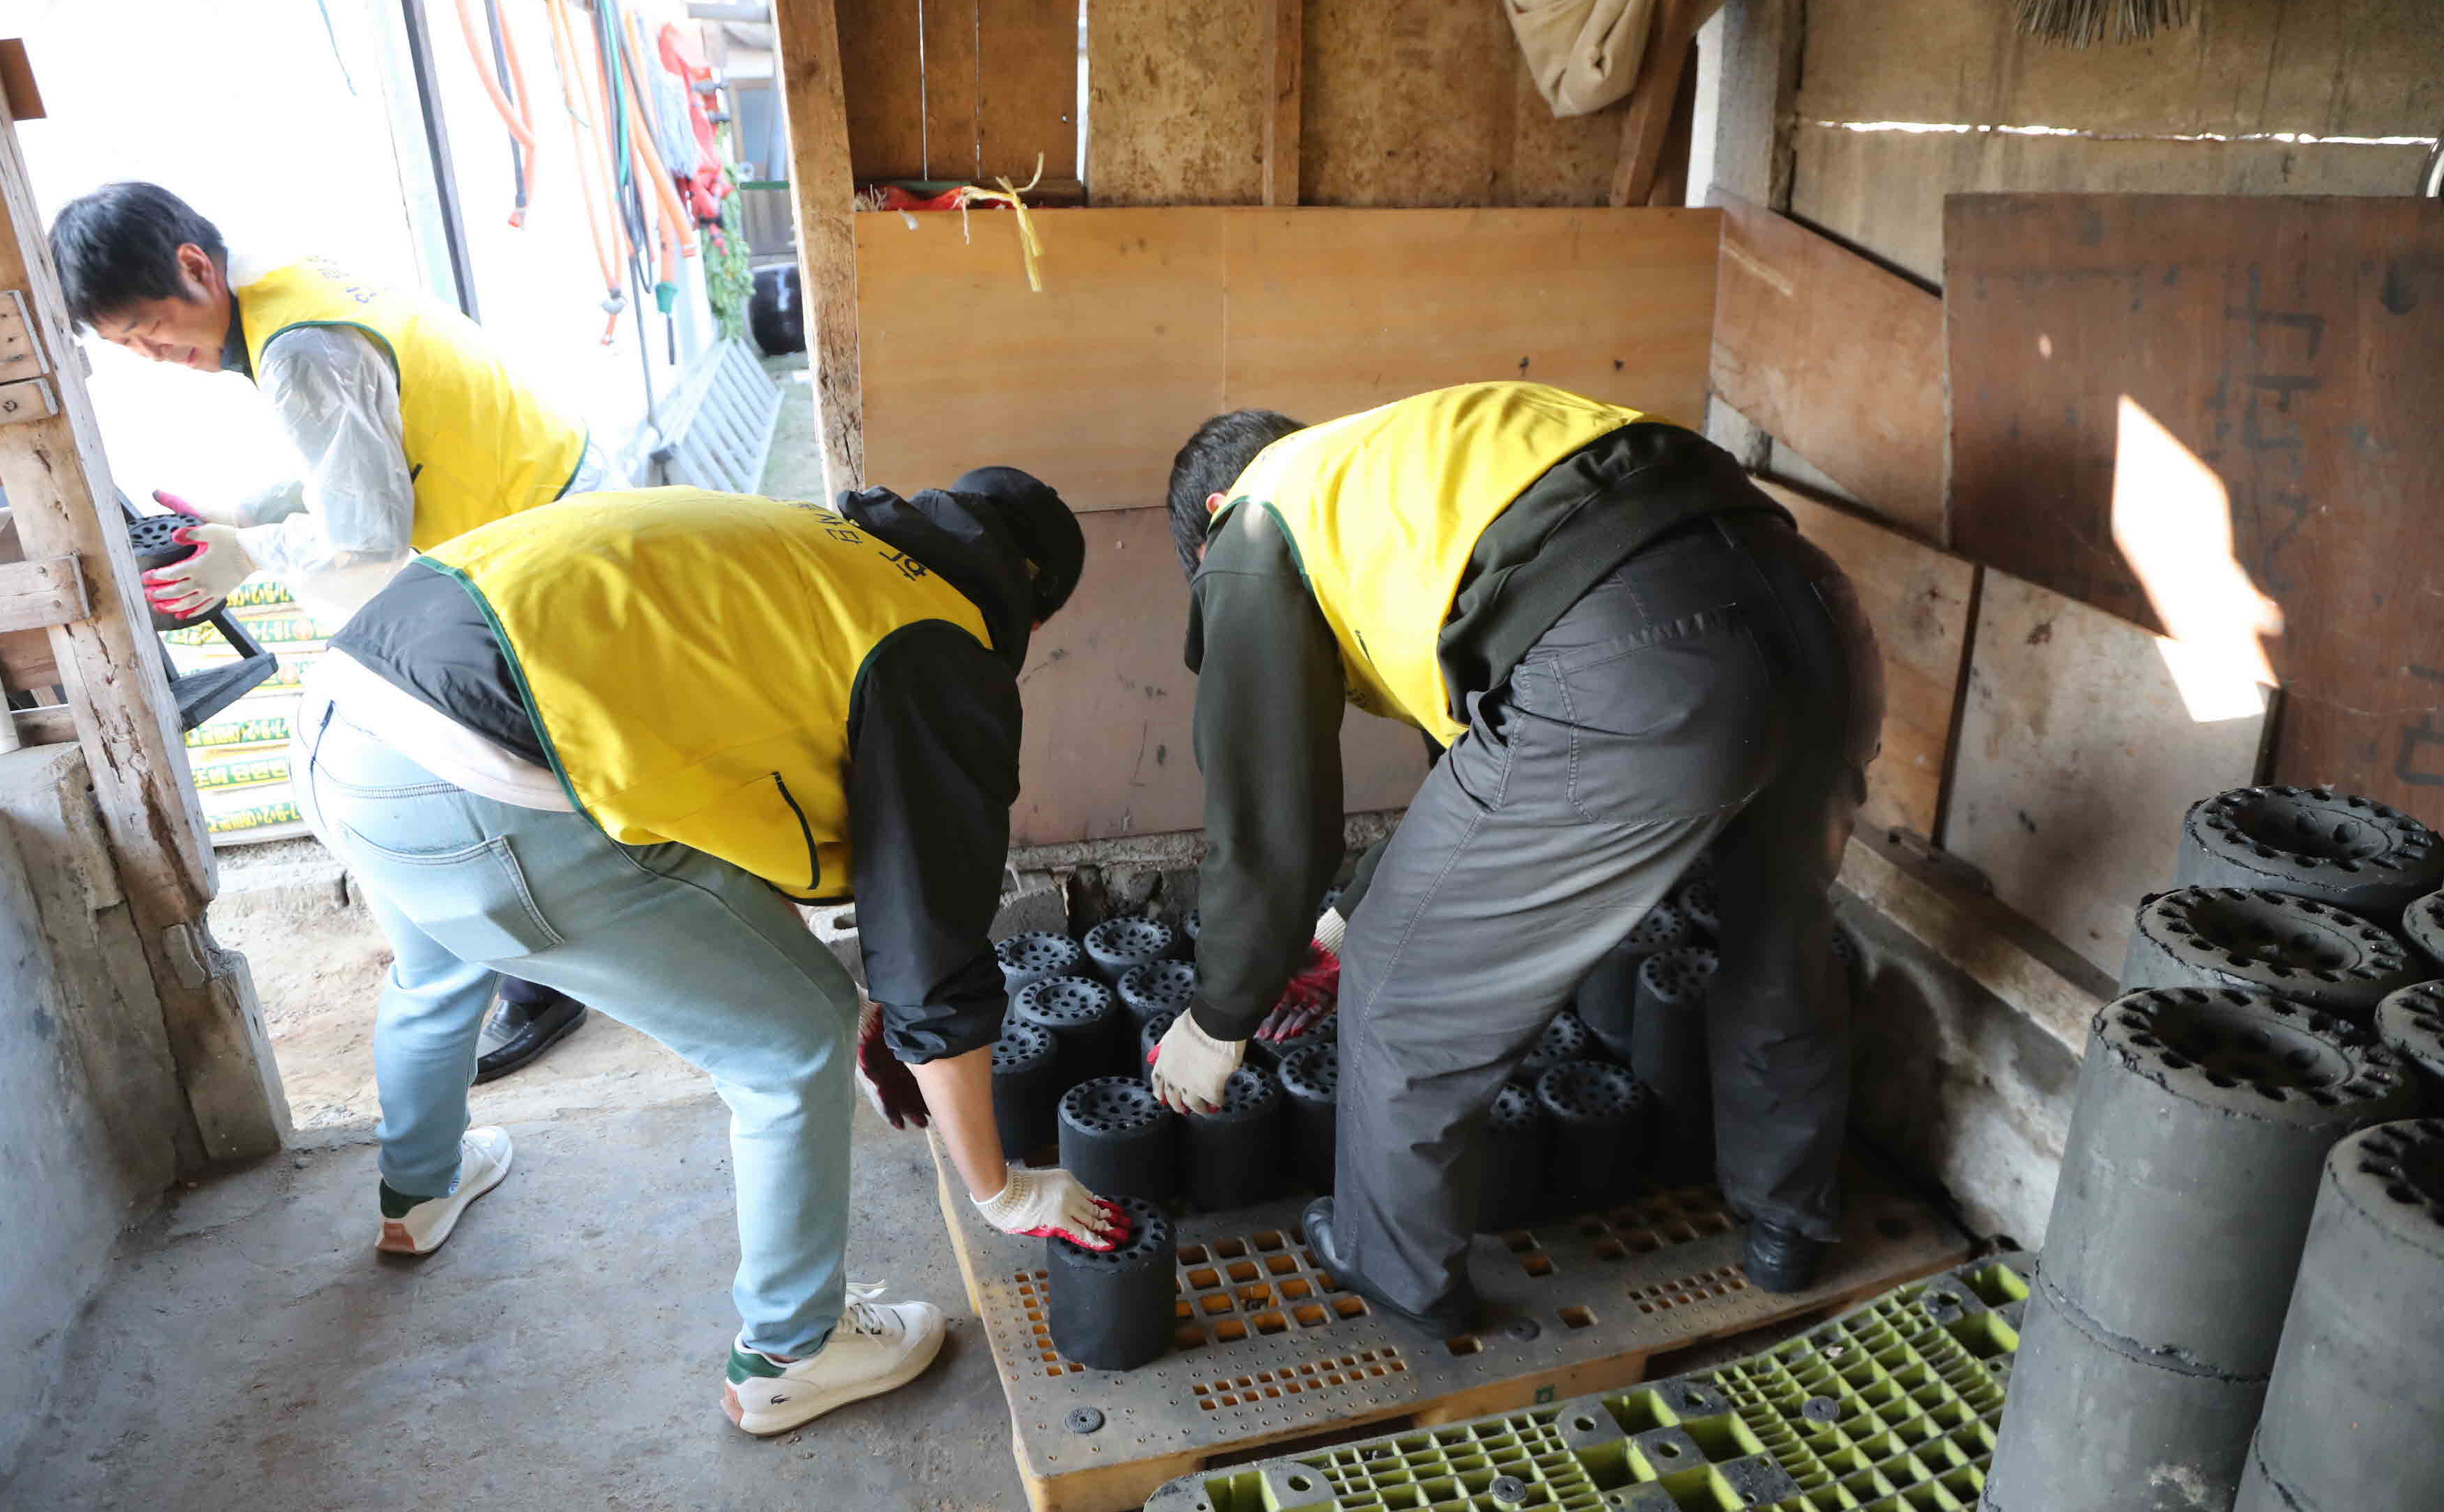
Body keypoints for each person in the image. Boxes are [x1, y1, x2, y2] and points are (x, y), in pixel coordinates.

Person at [289, 476, 1127, 1433]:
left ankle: (418, 1190)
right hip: (480, 784)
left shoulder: (815, 555)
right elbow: (931, 944)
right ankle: (791, 1353)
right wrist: (999, 1187)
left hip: (346, 722)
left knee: (443, 958)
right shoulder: (936, 646)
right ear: (1026, 596)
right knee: (797, 1036)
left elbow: (725, 790)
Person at [1147, 383, 1882, 1336]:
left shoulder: (1256, 521)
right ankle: (1789, 1222)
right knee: (1776, 936)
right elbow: (1475, 777)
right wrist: (1343, 918)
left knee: (1402, 995)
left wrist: (1219, 1017)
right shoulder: (1406, 469)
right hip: (1812, 614)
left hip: (1641, 656)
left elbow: (1265, 813)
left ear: (1212, 519)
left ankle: (1396, 1271)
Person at [50, 180, 595, 1081]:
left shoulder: (298, 348)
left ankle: (546, 981)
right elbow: (362, 446)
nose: (153, 355)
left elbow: (364, 534)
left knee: (462, 761)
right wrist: (244, 508)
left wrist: (249, 551)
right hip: (550, 493)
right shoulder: (293, 280)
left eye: (148, 327)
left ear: (194, 267)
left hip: (537, 546)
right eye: (125, 348)